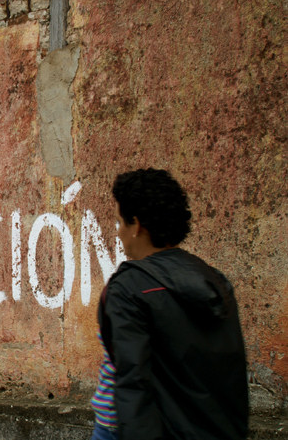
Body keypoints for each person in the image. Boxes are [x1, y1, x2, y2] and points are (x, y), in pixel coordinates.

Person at [90, 168, 248, 440]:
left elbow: (133, 381)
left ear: (137, 225)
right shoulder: (214, 280)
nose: (118, 233)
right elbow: (230, 375)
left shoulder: (128, 288)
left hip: (124, 430)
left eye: (120, 223)